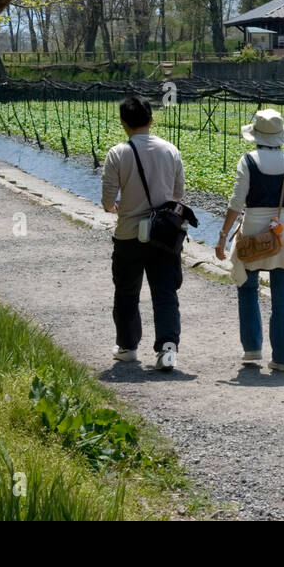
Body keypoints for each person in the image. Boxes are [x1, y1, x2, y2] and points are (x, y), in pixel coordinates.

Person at [215, 109, 284, 372]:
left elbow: (236, 202)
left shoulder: (247, 161)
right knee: (282, 292)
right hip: (283, 229)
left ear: (257, 136)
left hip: (252, 227)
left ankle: (252, 349)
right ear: (279, 137)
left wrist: (222, 236)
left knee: (247, 287)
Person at [101, 95, 186, 372]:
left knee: (127, 292)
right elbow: (178, 196)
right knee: (165, 293)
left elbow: (107, 202)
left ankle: (127, 347)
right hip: (164, 235)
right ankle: (168, 350)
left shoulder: (117, 153)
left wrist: (119, 206)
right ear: (151, 119)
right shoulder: (170, 150)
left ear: (124, 123)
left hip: (129, 235)